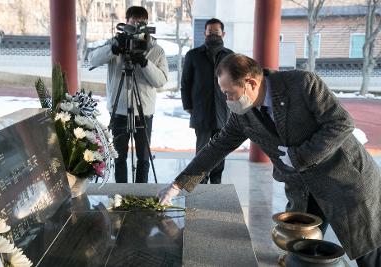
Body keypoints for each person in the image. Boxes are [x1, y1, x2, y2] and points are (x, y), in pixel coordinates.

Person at [158, 54, 381, 266]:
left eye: (230, 93)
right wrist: (178, 185)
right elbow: (217, 147)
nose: (227, 100)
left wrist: (300, 156)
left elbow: (341, 123)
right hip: (303, 188)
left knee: (368, 251)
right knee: (301, 251)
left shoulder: (302, 84)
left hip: (345, 180)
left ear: (251, 83)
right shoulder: (243, 115)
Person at [89, 6, 168, 183]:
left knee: (143, 158)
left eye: (142, 23)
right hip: (119, 111)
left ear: (147, 25)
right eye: (133, 22)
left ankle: (140, 195)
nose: (137, 26)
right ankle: (121, 194)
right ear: (126, 23)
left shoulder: (156, 50)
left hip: (144, 112)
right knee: (119, 157)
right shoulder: (116, 42)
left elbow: (161, 81)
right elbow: (92, 59)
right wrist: (114, 48)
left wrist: (144, 62)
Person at [181, 18, 233, 184]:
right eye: (210, 32)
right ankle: (199, 184)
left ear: (223, 34)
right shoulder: (193, 55)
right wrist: (188, 106)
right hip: (201, 111)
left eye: (216, 33)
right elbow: (185, 83)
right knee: (202, 151)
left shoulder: (230, 56)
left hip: (223, 111)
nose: (213, 35)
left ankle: (216, 182)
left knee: (220, 150)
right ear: (204, 33)